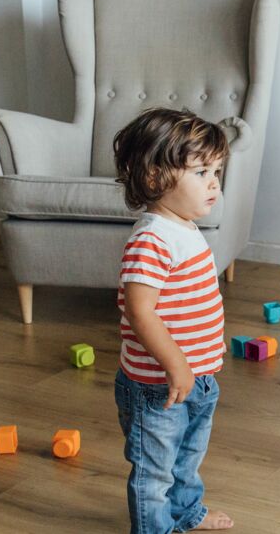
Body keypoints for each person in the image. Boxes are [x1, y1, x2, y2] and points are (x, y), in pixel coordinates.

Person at [113, 108, 234, 532]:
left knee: (187, 457)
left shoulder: (183, 227)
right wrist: (176, 363)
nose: (214, 182)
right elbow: (139, 310)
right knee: (155, 471)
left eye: (216, 170)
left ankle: (186, 512)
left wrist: (198, 358)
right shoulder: (151, 239)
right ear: (153, 178)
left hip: (197, 378)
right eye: (201, 171)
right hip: (156, 386)